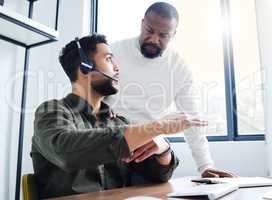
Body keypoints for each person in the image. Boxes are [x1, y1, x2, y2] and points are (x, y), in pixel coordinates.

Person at [31, 34, 207, 199]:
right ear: (85, 67)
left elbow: (154, 176)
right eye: (108, 59)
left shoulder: (118, 121)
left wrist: (163, 148)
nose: (117, 66)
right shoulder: (51, 111)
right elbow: (66, 152)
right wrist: (156, 127)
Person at [107, 2, 235, 178]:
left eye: (163, 35)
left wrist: (205, 165)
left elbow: (190, 119)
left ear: (173, 34)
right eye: (149, 31)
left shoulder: (179, 67)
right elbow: (93, 97)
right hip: (112, 138)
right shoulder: (114, 52)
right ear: (142, 23)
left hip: (151, 145)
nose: (154, 39)